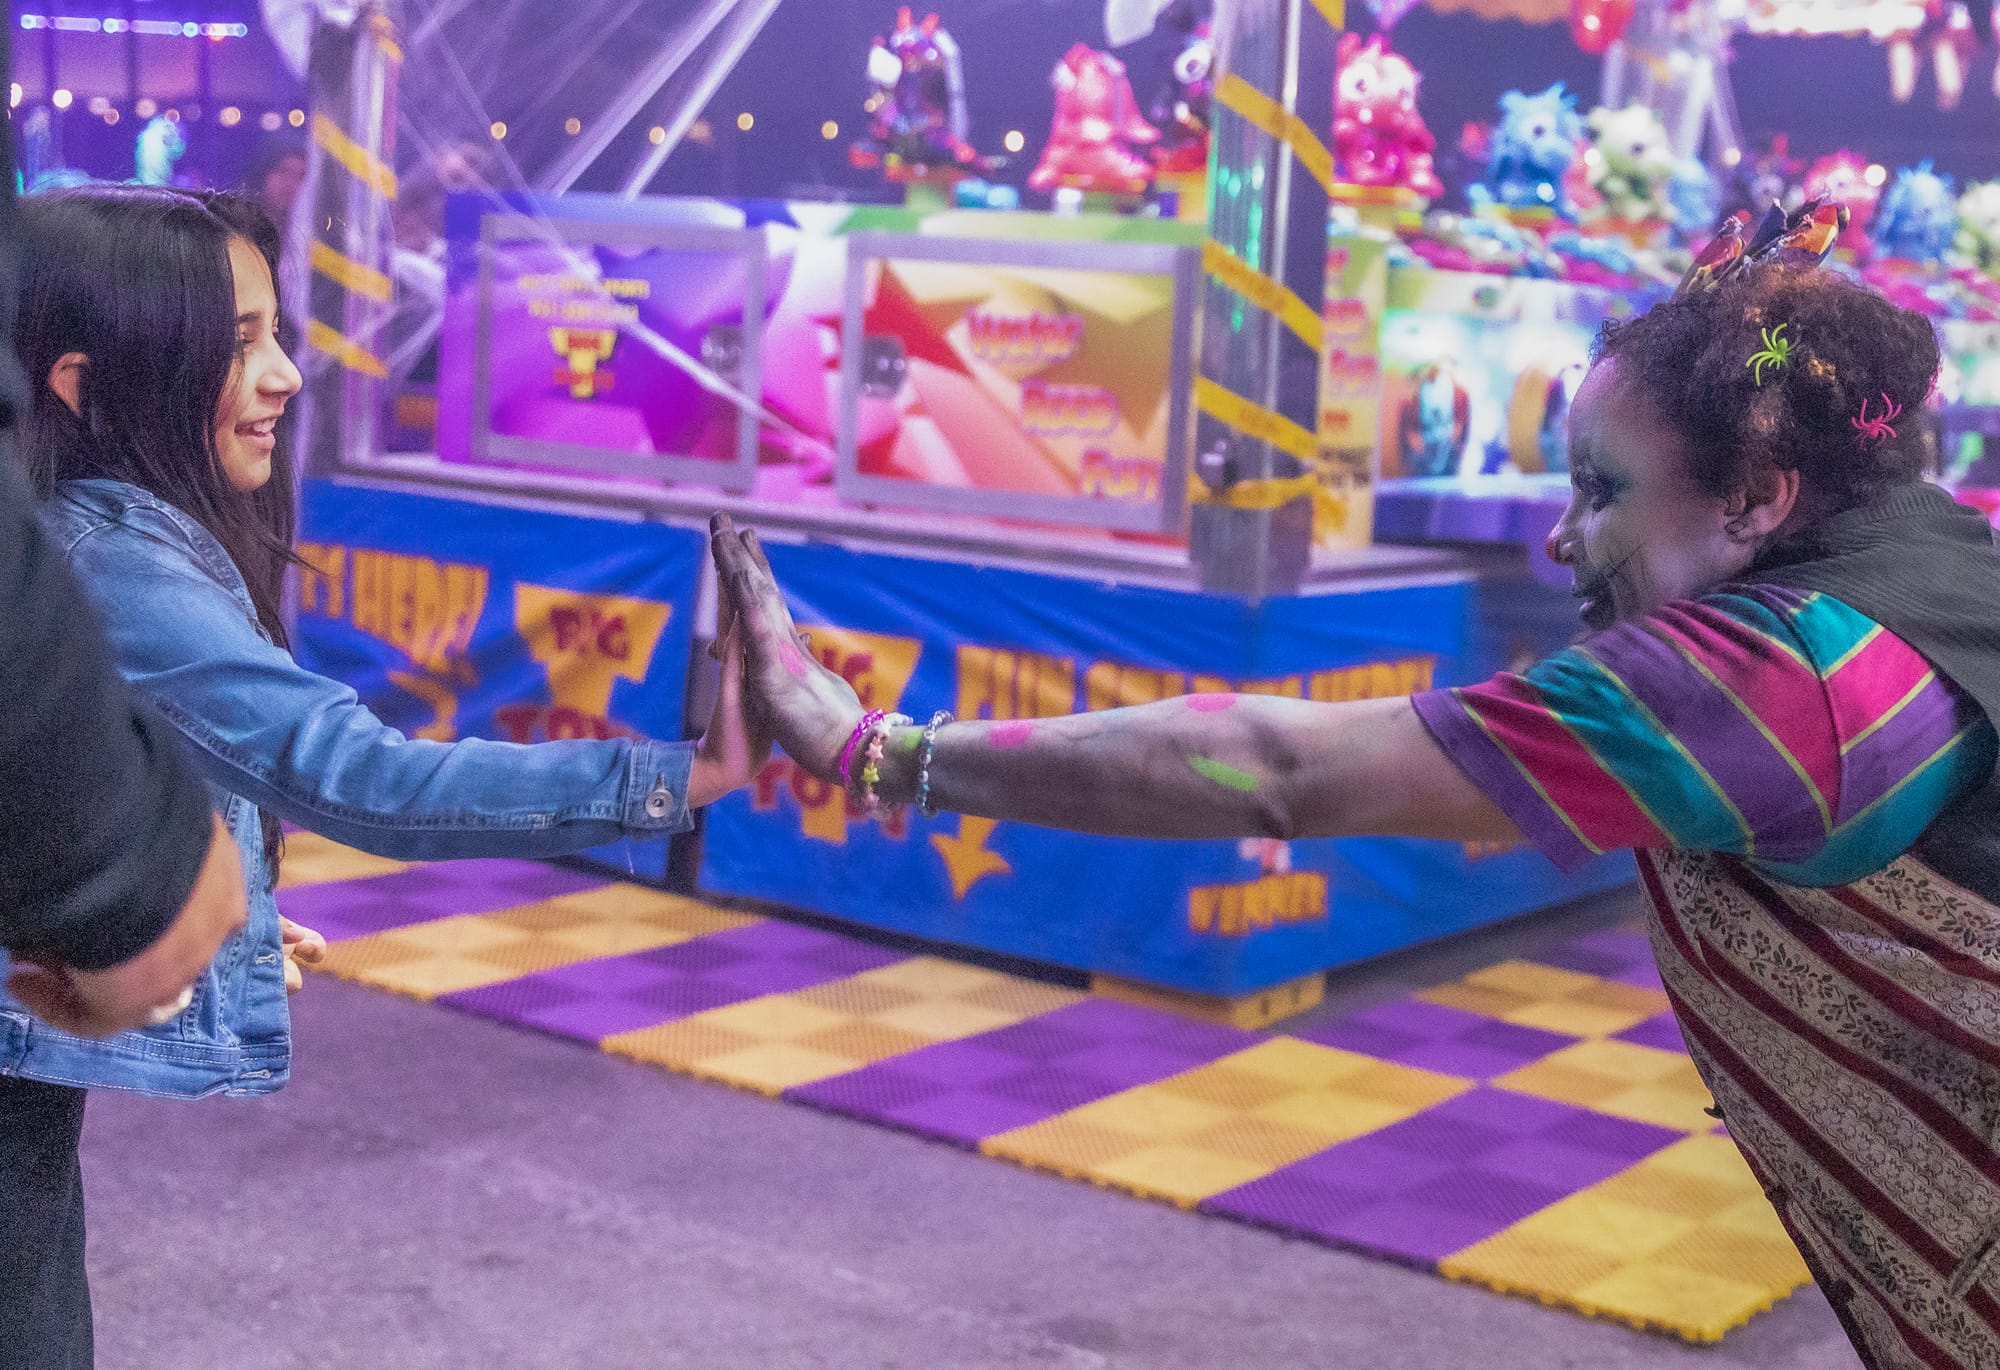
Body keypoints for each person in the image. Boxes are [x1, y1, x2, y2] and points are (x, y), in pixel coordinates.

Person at [717, 213, 2000, 1369]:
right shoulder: (1926, 552)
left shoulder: (1775, 689)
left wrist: (877, 750)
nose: (1560, 537)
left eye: (1600, 489)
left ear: (1755, 497)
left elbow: (1276, 771)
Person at [2, 183, 767, 1370]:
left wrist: (207, 900)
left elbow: (40, 784)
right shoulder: (112, 560)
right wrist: (680, 775)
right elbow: (364, 777)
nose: (284, 378)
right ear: (82, 384)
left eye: (275, 335)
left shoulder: (73, 537)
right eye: (238, 343)